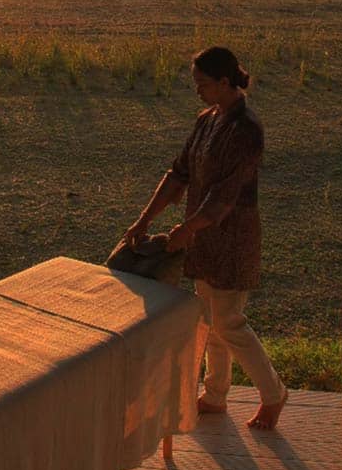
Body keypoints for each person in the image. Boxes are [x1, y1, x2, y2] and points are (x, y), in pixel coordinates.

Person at [122, 46, 287, 430]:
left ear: (225, 83)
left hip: (231, 237)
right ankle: (215, 395)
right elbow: (178, 173)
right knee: (209, 320)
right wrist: (144, 219)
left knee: (229, 322)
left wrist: (186, 229)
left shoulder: (246, 130)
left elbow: (225, 196)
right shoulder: (207, 119)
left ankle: (274, 394)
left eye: (203, 83)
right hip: (202, 234)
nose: (197, 90)